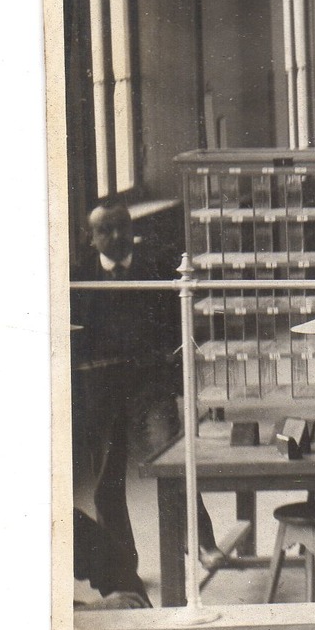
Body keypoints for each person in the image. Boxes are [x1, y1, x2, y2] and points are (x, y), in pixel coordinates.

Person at [70, 202, 216, 602]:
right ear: (92, 237)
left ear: (130, 227)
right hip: (102, 394)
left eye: (121, 227)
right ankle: (123, 568)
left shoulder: (157, 270)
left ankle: (201, 541)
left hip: (149, 388)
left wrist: (169, 373)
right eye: (106, 231)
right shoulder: (79, 278)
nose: (116, 236)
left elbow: (177, 330)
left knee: (174, 463)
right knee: (107, 484)